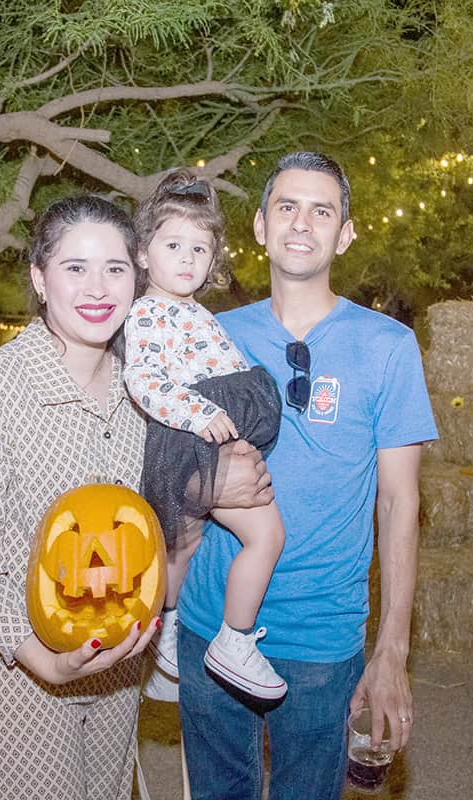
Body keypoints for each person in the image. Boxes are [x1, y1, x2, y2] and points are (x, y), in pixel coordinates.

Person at [176, 152, 437, 800]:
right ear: (261, 226)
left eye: (322, 209)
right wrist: (200, 486)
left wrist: (392, 652)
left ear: (344, 234)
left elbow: (400, 503)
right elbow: (164, 469)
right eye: (287, 206)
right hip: (211, 626)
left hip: (324, 639)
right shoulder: (207, 334)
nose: (302, 222)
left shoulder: (388, 345)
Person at [0, 196, 161, 800]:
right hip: (12, 678)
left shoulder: (146, 395)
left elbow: (151, 535)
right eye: (74, 267)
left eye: (115, 268)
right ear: (40, 278)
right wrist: (43, 658)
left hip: (115, 670)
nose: (97, 288)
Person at [124, 170, 286, 700]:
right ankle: (234, 640)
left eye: (200, 247)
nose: (188, 258)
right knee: (265, 535)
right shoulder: (148, 313)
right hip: (187, 441)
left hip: (202, 438)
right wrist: (196, 413)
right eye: (173, 245)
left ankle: (167, 637)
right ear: (143, 254)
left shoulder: (194, 312)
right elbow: (144, 380)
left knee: (181, 547)